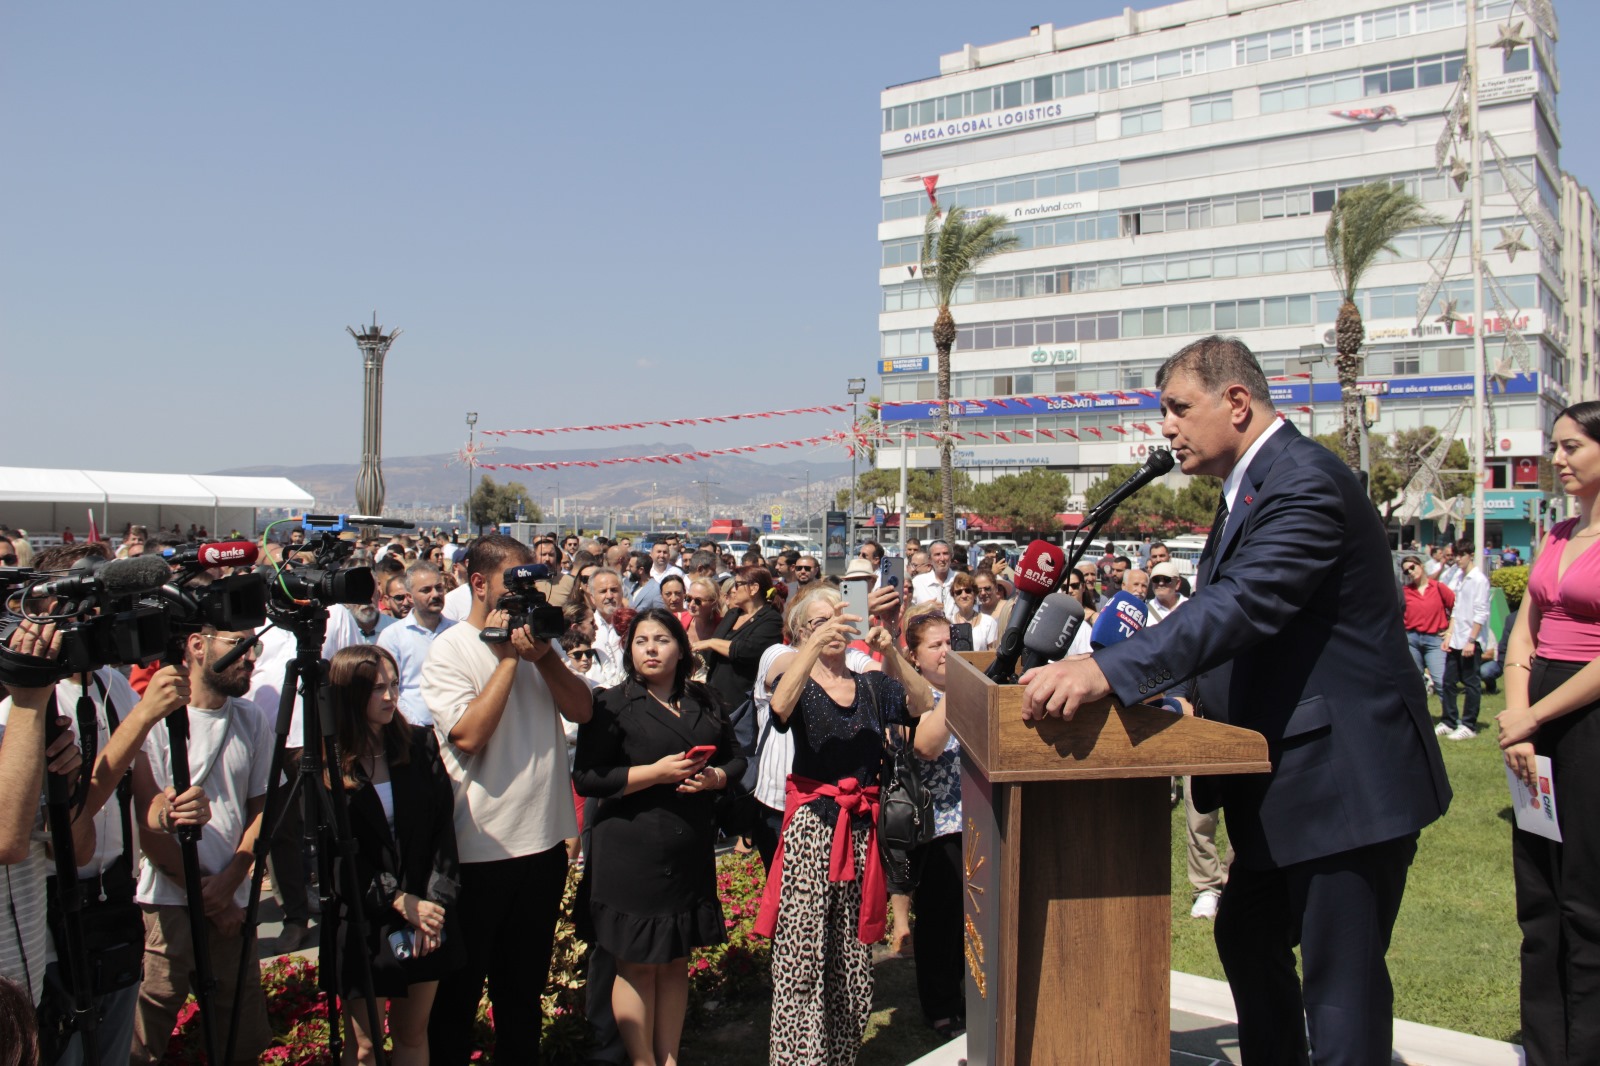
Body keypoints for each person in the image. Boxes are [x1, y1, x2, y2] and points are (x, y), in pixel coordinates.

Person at [1020, 336, 1451, 1065]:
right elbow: (1234, 619)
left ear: (1238, 402)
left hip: (1345, 783)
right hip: (1286, 782)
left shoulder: (1306, 480)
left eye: (1178, 408)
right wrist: (1180, 695)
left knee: (1340, 995)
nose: (1167, 427)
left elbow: (1248, 603)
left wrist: (1110, 672)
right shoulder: (1251, 485)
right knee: (1247, 934)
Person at [421, 533, 595, 1064]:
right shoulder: (449, 649)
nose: (527, 593)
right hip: (478, 851)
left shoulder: (541, 643)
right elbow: (469, 736)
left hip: (541, 847)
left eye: (533, 582)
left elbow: (582, 711)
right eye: (514, 582)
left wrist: (542, 659)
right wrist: (507, 662)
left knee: (521, 998)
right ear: (478, 583)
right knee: (457, 999)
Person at [756, 586, 932, 1065]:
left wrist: (891, 648)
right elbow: (780, 710)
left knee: (852, 955)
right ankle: (799, 1057)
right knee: (803, 952)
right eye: (817, 621)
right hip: (813, 829)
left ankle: (841, 1053)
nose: (832, 627)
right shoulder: (793, 678)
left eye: (837, 617)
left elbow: (922, 704)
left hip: (860, 831)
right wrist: (810, 646)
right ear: (798, 633)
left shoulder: (872, 684)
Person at [574, 609, 745, 1066]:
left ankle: (669, 1058)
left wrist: (715, 780)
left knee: (674, 961)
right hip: (631, 849)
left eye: (662, 639)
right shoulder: (612, 702)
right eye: (641, 641)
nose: (650, 648)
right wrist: (652, 774)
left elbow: (736, 760)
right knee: (636, 963)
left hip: (688, 844)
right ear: (629, 651)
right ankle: (641, 1059)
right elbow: (588, 777)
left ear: (681, 648)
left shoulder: (704, 700)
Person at [1496, 400, 1600, 1064]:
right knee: (1539, 899)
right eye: (1554, 447)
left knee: (1587, 904)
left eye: (1571, 447)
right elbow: (1525, 632)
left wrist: (1535, 714)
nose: (1556, 460)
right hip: (1532, 729)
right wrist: (1517, 725)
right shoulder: (1557, 534)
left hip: (1586, 724)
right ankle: (1546, 1048)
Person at [131, 626, 276, 1066]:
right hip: (168, 904)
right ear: (197, 645)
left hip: (231, 904)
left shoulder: (251, 718)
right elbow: (147, 825)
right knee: (144, 1039)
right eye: (239, 645)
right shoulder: (153, 721)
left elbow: (261, 810)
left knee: (241, 1038)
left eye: (255, 647)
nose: (251, 657)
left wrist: (232, 879)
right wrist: (207, 895)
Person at [324, 645, 462, 1066]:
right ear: (349, 694)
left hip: (426, 912)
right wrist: (399, 901)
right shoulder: (327, 763)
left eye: (394, 685)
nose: (390, 697)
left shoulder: (419, 744)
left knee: (412, 1032)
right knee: (365, 1047)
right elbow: (334, 857)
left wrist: (434, 904)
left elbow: (443, 832)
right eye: (377, 688)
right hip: (365, 917)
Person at [893, 610, 966, 1040]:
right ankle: (940, 1004)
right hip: (938, 825)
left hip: (980, 819)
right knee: (940, 920)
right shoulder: (915, 697)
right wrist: (962, 689)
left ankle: (968, 993)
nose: (946, 652)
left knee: (971, 919)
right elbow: (928, 746)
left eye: (949, 642)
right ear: (915, 657)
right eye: (935, 646)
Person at [378, 562, 456, 728]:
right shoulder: (393, 637)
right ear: (410, 596)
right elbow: (392, 689)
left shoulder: (458, 631)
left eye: (439, 588)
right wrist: (417, 728)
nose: (435, 594)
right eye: (426, 590)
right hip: (413, 732)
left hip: (456, 728)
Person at [1440, 537, 1490, 741]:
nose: (1458, 559)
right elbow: (1456, 610)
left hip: (1470, 639)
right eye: (1456, 555)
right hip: (1456, 638)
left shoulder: (1479, 580)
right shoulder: (1459, 578)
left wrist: (1472, 640)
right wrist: (1449, 634)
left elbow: (1481, 613)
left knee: (1471, 682)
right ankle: (1449, 720)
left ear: (1470, 555)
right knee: (1449, 681)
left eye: (1461, 555)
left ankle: (1469, 724)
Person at [1401, 553, 1454, 701]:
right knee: (1414, 682)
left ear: (1421, 566)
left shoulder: (1438, 587)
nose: (1410, 572)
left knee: (1441, 681)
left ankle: (1451, 719)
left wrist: (1450, 631)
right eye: (1406, 571)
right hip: (1412, 640)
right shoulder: (1405, 592)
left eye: (1412, 567)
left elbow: (1457, 608)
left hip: (1435, 640)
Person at [944, 570, 996, 652]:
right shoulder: (948, 622)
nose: (964, 595)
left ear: (975, 594)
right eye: (958, 592)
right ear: (953, 596)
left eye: (968, 591)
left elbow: (992, 653)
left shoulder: (988, 622)